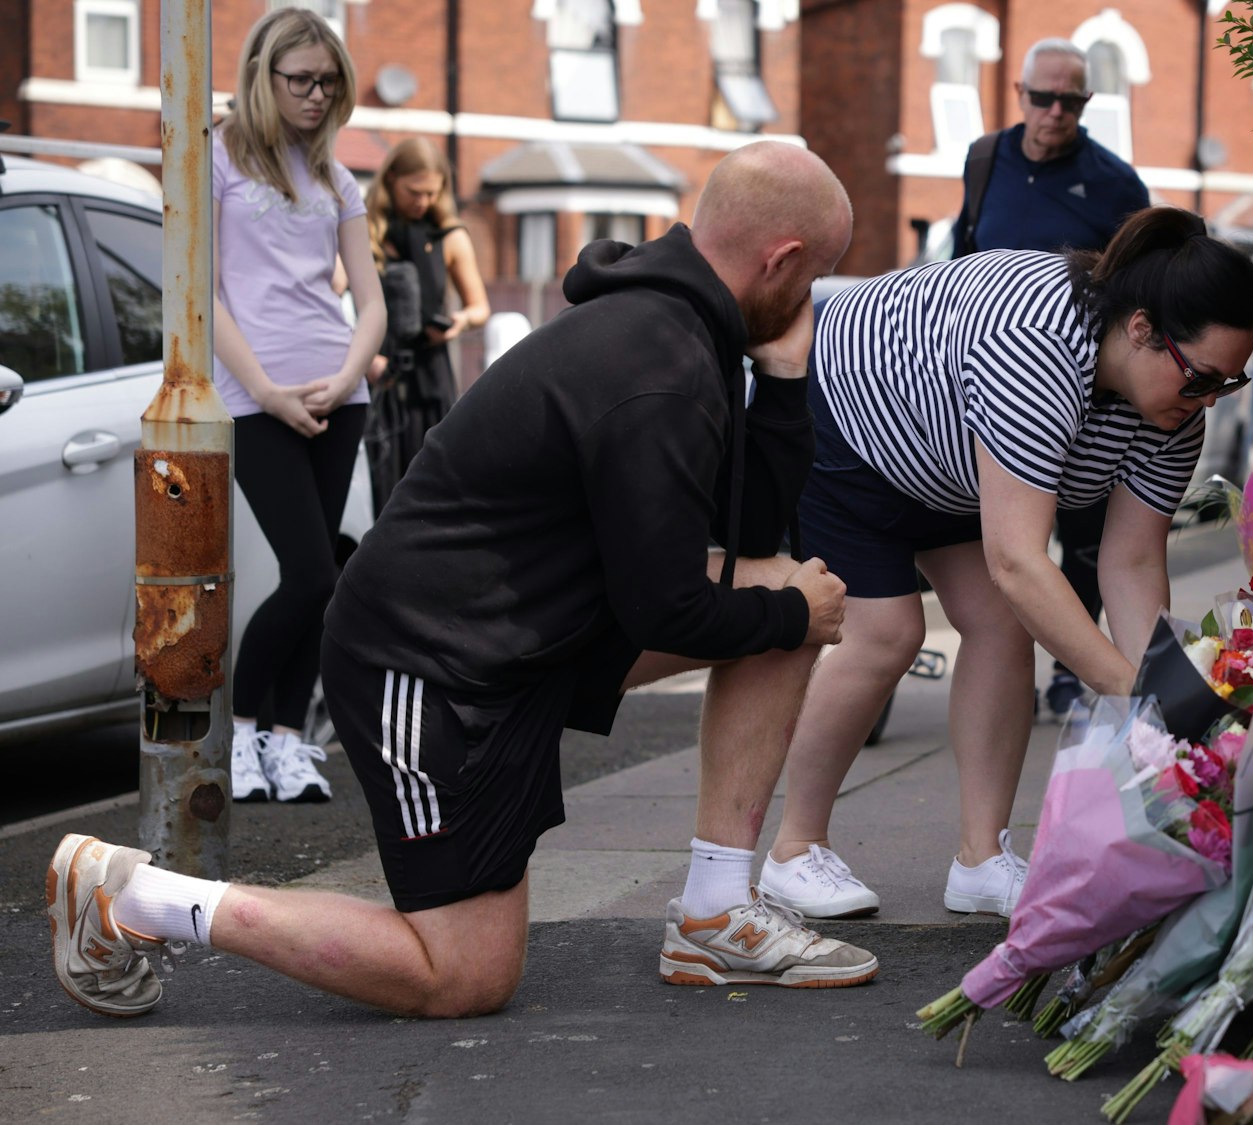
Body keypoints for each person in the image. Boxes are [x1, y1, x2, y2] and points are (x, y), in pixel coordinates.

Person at [47, 141, 873, 1021]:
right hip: (425, 665)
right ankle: (134, 896)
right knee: (464, 976)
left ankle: (713, 911)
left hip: (522, 636)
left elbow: (744, 541)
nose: (810, 304)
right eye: (814, 279)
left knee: (789, 591)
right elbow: (666, 605)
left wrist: (784, 379)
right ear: (780, 261)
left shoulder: (682, 337)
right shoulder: (659, 366)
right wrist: (783, 608)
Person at [760, 207, 1253, 920]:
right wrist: (1132, 696)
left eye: (1228, 384)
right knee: (887, 633)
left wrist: (1168, 701)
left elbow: (1129, 564)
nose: (1208, 402)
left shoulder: (1174, 408)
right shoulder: (1036, 347)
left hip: (954, 454)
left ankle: (981, 858)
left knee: (1004, 629)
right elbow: (1017, 561)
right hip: (852, 413)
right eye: (1202, 379)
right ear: (1141, 330)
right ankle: (793, 849)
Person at [210, 8, 384, 806]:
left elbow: (371, 304)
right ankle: (243, 734)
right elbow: (205, 297)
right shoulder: (215, 160)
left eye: (329, 83)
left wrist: (349, 374)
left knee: (325, 582)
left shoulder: (338, 178)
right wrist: (270, 393)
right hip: (256, 397)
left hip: (337, 392)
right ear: (263, 77)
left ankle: (286, 742)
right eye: (302, 81)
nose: (318, 96)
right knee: (310, 572)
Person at [950, 38, 1152, 721]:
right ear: (1020, 94)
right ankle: (1004, 656)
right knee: (1003, 539)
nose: (1056, 112)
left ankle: (1071, 670)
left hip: (1081, 391)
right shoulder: (985, 160)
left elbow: (1142, 292)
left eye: (1073, 100)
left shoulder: (1116, 184)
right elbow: (961, 256)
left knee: (1087, 538)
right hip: (990, 386)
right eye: (1044, 97)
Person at [361, 137, 490, 515]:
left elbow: (479, 307)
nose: (423, 202)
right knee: (381, 491)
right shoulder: (366, 233)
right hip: (376, 375)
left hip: (430, 374)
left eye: (432, 193)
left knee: (433, 487)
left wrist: (457, 324)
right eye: (413, 192)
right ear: (390, 182)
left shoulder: (451, 236)